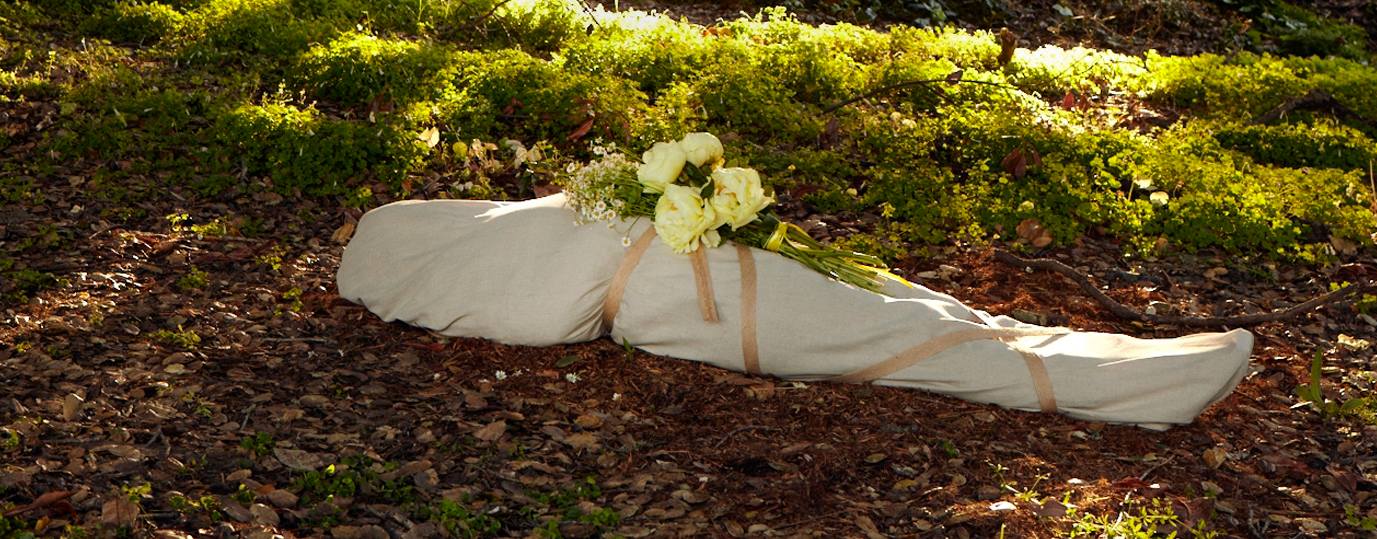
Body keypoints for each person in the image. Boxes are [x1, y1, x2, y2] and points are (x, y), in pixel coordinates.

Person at [338, 195, 1253, 430]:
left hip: (707, 251)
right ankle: (1143, 389)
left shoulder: (476, 231)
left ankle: (1127, 355)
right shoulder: (434, 279)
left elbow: (568, 221)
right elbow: (559, 310)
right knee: (901, 341)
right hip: (681, 300)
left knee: (912, 298)